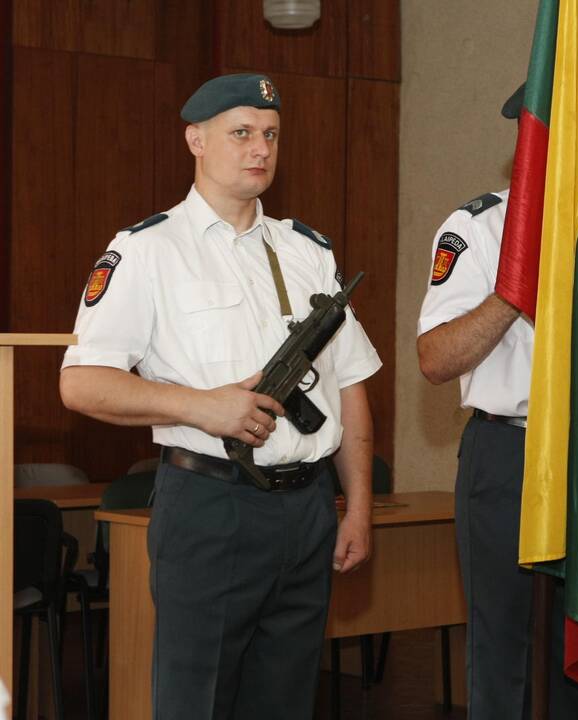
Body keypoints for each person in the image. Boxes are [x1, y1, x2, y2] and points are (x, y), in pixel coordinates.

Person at [58, 73, 381, 719]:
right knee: (196, 703)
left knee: (286, 700)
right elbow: (81, 383)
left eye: (270, 135)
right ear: (195, 139)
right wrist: (201, 405)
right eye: (241, 133)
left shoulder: (305, 251)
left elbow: (349, 385)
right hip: (211, 504)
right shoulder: (148, 251)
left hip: (307, 509)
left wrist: (358, 508)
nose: (259, 148)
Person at [415, 86, 578, 720]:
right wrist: (512, 293)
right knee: (500, 642)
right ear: (525, 137)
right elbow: (435, 360)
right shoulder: (474, 228)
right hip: (507, 453)